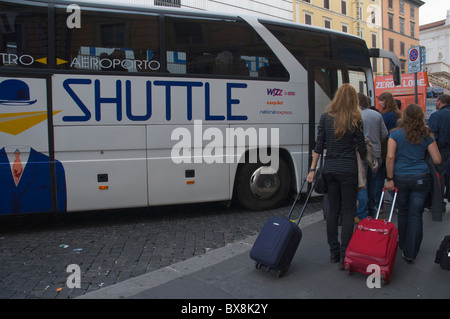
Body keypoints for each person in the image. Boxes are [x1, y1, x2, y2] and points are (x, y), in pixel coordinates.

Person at [307, 83, 366, 266]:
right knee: (348, 211)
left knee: (333, 210)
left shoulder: (325, 118)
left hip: (330, 169)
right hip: (348, 170)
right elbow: (362, 149)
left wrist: (311, 170)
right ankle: (345, 252)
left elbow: (318, 146)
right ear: (354, 99)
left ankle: (333, 252)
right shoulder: (356, 119)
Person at [385, 104, 441, 263]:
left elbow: (390, 157)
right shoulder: (427, 134)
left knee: (402, 211)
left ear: (404, 116)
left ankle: (402, 244)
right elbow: (437, 159)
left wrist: (389, 179)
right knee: (416, 214)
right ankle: (411, 251)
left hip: (400, 177)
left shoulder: (395, 135)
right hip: (421, 177)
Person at [356, 93, 388, 221]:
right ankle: (372, 210)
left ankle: (363, 214)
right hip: (376, 153)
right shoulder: (377, 115)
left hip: (361, 154)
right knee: (373, 184)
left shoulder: (355, 115)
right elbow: (385, 134)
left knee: (362, 184)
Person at [427, 94, 450, 212]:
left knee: (438, 178)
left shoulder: (436, 116)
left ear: (440, 102)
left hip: (441, 151)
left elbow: (432, 136)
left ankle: (438, 204)